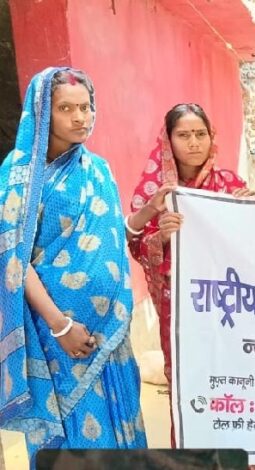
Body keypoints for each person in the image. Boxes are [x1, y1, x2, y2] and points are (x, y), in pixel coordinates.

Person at [0, 67, 147, 466]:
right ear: (42, 113)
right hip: (54, 334)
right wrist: (60, 325)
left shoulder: (97, 169)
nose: (81, 117)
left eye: (86, 107)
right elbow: (13, 258)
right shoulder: (18, 176)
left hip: (108, 332)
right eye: (66, 108)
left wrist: (149, 212)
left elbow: (108, 238)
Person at [125, 103, 254, 445]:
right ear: (168, 141)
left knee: (234, 386)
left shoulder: (230, 185)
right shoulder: (156, 193)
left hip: (229, 309)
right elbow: (135, 244)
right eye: (183, 135)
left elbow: (253, 251)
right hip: (180, 313)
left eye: (200, 134)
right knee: (190, 389)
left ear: (212, 137)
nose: (194, 143)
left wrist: (250, 214)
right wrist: (162, 238)